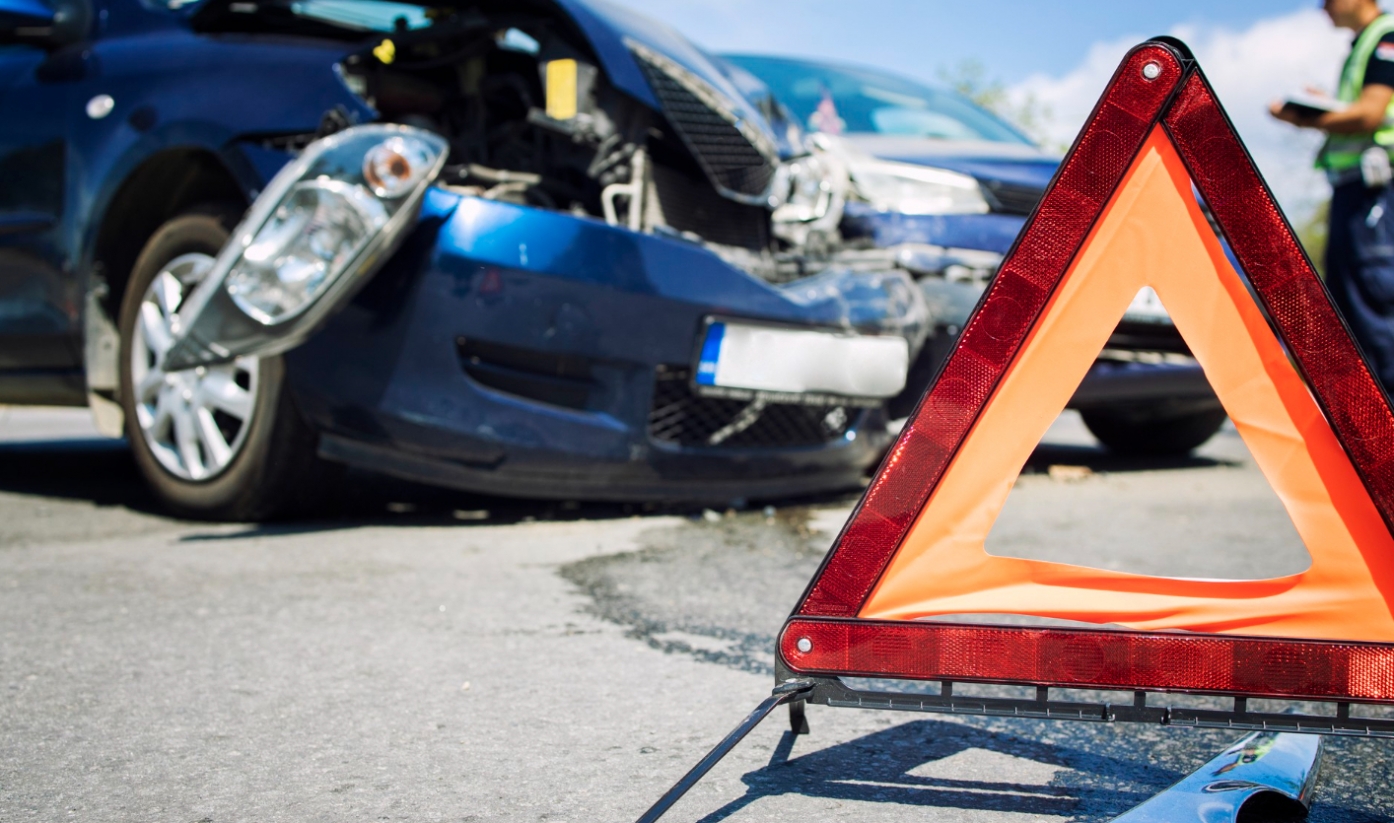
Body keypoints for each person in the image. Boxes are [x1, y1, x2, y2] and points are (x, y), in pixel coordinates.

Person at [1271, 0, 1394, 393]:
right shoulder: (1363, 45)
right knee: (1352, 308)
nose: (1322, 7)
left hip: (1374, 194)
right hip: (1356, 194)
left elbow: (1370, 114)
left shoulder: (1385, 39)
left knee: (1374, 309)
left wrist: (1304, 117)